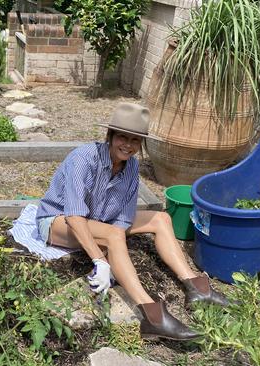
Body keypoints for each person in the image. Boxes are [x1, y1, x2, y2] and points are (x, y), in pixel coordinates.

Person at [35, 102, 229, 341]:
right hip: (59, 220)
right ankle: (152, 315)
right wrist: (101, 259)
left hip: (98, 220)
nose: (127, 145)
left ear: (141, 144)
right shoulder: (83, 159)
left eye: (135, 140)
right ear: (110, 136)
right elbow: (75, 216)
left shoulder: (131, 166)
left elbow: (124, 218)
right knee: (112, 235)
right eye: (122, 138)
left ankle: (195, 286)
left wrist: (114, 251)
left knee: (160, 218)